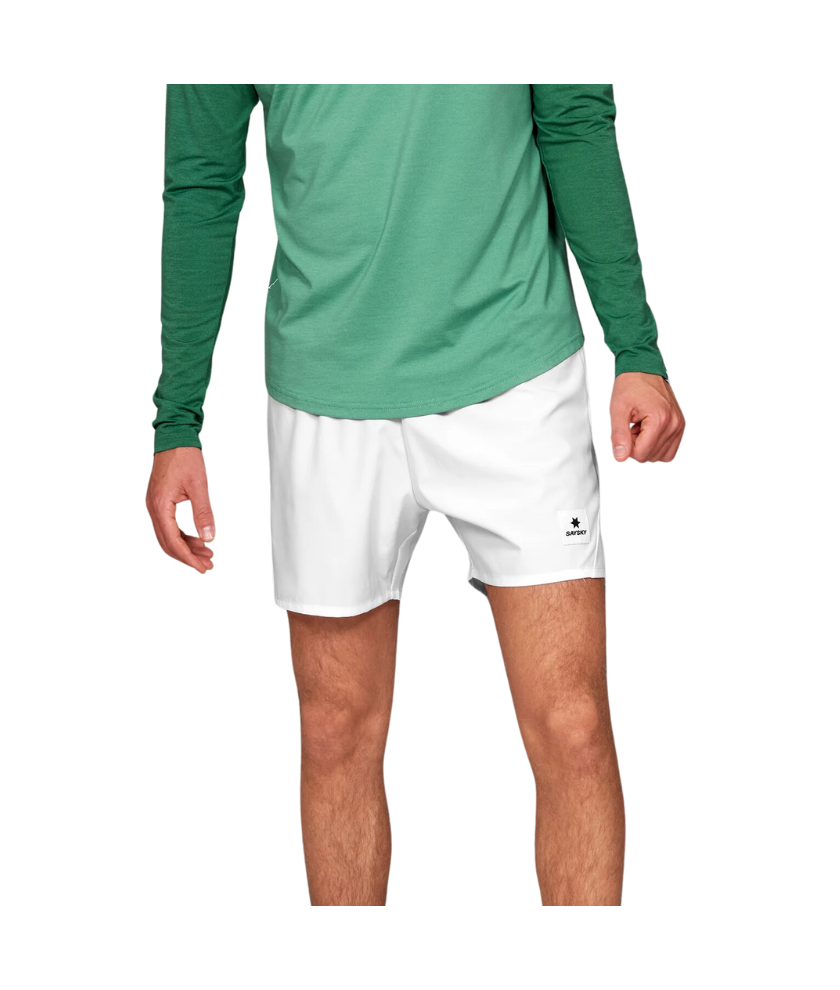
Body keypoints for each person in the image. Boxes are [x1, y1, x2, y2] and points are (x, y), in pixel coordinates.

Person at [146, 84, 685, 906]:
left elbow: (572, 115)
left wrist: (635, 345)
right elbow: (201, 179)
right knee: (335, 732)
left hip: (515, 363)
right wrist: (177, 419)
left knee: (573, 725)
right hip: (325, 383)